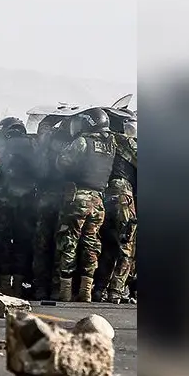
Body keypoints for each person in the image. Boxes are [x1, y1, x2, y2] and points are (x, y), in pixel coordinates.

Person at [53, 107, 117, 302]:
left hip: (78, 198)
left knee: (69, 241)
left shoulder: (82, 142)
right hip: (98, 201)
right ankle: (86, 290)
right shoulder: (110, 144)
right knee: (91, 243)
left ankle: (65, 291)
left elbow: (62, 162)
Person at [0, 116, 37, 297]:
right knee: (23, 243)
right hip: (27, 203)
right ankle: (18, 284)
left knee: (3, 243)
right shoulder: (33, 145)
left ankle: (5, 285)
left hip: (3, 202)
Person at [31, 116, 76, 300]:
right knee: (62, 243)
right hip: (64, 197)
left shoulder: (46, 139)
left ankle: (40, 287)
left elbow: (43, 126)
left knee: (42, 243)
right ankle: (57, 287)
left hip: (45, 195)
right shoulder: (74, 143)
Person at [93, 114, 137, 303]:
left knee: (108, 245)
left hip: (102, 196)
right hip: (122, 196)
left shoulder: (100, 141)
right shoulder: (125, 142)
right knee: (126, 245)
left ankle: (99, 289)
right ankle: (116, 291)